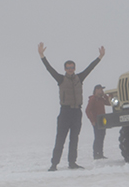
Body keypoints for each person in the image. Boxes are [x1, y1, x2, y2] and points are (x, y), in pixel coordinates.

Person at [39, 42, 104, 171]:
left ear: (74, 68)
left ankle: (72, 163)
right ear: (65, 69)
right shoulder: (60, 79)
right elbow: (49, 69)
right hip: (65, 112)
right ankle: (54, 164)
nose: (70, 69)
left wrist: (100, 57)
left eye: (72, 67)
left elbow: (90, 68)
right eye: (68, 67)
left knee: (74, 139)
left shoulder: (79, 78)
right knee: (60, 139)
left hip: (76, 112)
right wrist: (42, 56)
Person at [85, 84, 112, 159]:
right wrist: (92, 120)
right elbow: (87, 110)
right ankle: (96, 154)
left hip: (102, 120)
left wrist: (105, 96)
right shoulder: (93, 99)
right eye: (100, 89)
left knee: (102, 136)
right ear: (96, 90)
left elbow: (109, 103)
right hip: (96, 121)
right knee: (98, 137)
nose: (101, 91)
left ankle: (100, 153)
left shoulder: (101, 99)